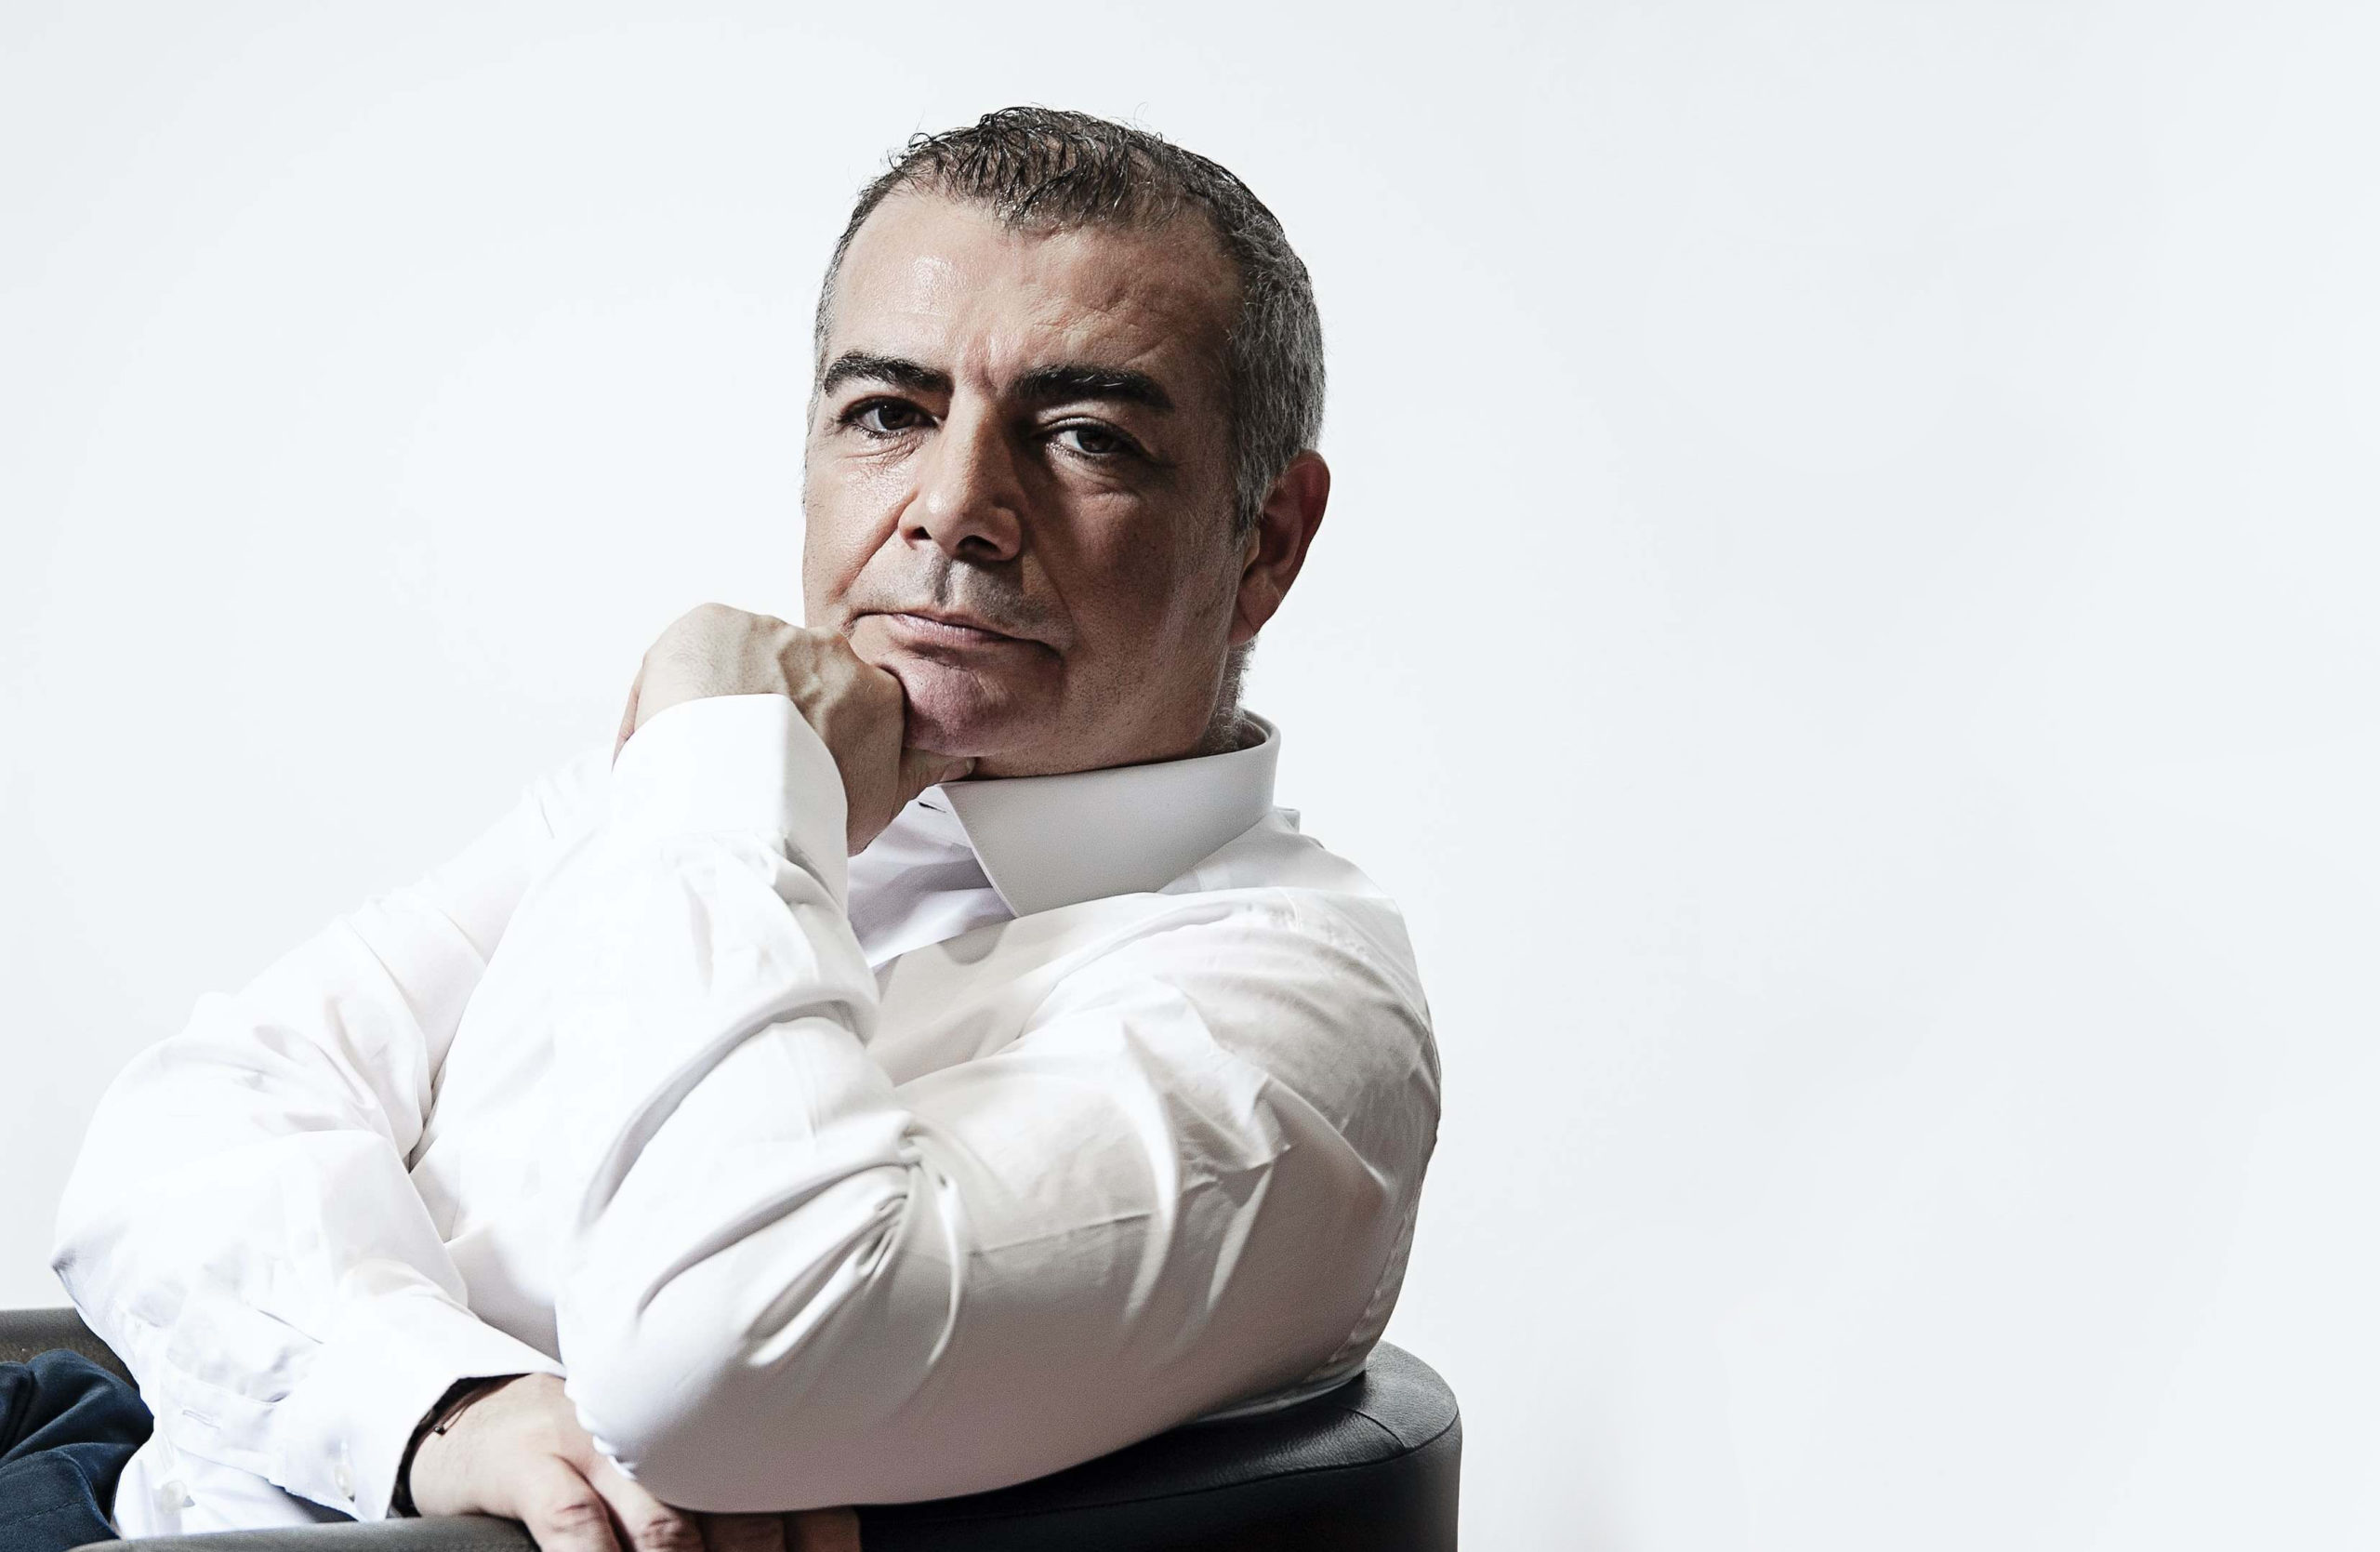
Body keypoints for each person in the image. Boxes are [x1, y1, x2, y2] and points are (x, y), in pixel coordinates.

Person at [47, 107, 1439, 1552]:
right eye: (889, 413)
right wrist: (444, 1401)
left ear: (1268, 538)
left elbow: (727, 1352)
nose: (954, 508)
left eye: (1086, 436)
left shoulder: (1294, 1013)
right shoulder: (707, 785)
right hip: (91, 1469)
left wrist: (730, 768)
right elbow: (169, 1138)